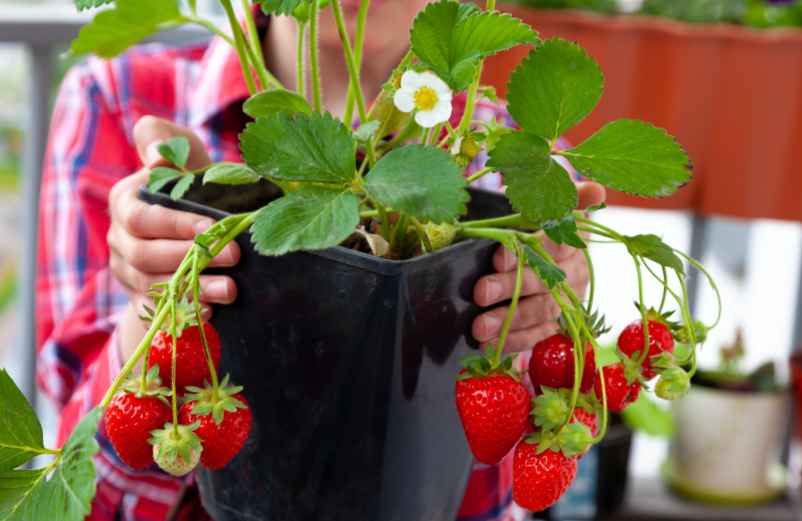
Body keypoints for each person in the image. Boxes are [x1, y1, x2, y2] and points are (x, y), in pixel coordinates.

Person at [36, 2, 605, 520]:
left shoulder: (512, 159)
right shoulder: (118, 101)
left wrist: (543, 321)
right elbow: (85, 498)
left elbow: (493, 478)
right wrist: (171, 281)